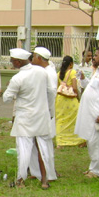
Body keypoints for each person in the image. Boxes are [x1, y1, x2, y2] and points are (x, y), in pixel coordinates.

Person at [3, 48, 56, 189]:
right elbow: (51, 92)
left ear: (18, 62)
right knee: (43, 148)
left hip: (25, 117)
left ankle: (20, 180)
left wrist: (11, 90)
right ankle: (44, 179)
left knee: (24, 149)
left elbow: (6, 98)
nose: (11, 64)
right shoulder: (41, 72)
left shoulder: (18, 78)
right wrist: (49, 109)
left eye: (12, 61)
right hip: (41, 115)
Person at [74, 46, 99, 178]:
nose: (93, 58)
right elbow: (91, 87)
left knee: (96, 142)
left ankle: (96, 170)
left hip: (97, 112)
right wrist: (83, 79)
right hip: (90, 112)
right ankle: (93, 167)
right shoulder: (98, 71)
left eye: (96, 56)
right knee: (91, 141)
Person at [30, 46, 58, 183]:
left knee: (44, 144)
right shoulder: (42, 71)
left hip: (45, 113)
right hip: (41, 112)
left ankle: (48, 173)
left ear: (39, 58)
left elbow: (51, 92)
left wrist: (49, 110)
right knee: (36, 143)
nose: (32, 60)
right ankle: (36, 172)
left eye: (34, 57)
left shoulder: (48, 73)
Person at [55, 56, 85, 147]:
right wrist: (77, 97)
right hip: (70, 100)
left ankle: (60, 142)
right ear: (71, 64)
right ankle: (78, 140)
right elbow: (75, 88)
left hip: (60, 100)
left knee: (61, 121)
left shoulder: (59, 73)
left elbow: (57, 87)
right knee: (75, 120)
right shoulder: (72, 72)